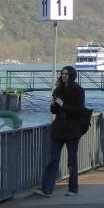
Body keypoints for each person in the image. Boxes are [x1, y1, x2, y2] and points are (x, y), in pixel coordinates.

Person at [35, 65, 86, 196]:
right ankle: (47, 189)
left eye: (66, 74)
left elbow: (79, 110)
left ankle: (73, 188)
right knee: (53, 159)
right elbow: (54, 111)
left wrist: (63, 105)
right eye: (63, 73)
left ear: (72, 76)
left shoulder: (78, 90)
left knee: (71, 161)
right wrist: (54, 105)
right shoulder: (58, 90)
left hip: (72, 128)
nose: (64, 76)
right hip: (58, 127)